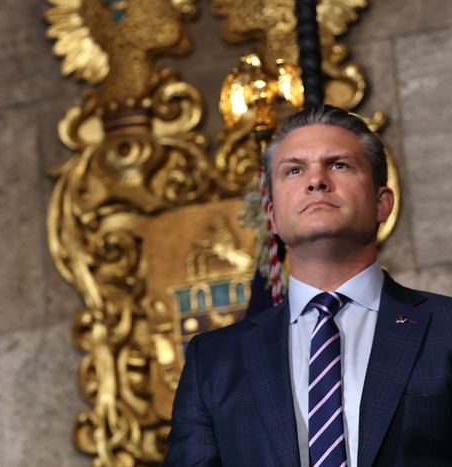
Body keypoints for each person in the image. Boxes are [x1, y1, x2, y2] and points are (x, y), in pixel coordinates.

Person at [165, 105, 452, 466]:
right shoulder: (215, 360)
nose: (316, 180)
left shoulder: (446, 329)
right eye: (295, 170)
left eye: (339, 165)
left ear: (382, 204)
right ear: (271, 215)